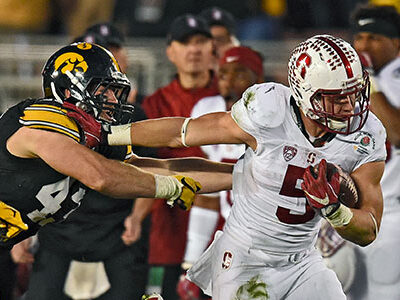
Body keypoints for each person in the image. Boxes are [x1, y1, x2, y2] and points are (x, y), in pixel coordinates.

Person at [83, 34, 386, 299]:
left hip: (303, 261)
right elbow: (184, 132)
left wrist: (336, 211)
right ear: (305, 94)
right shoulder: (269, 110)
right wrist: (112, 134)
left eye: (355, 93)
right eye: (337, 98)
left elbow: (369, 228)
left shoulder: (367, 134)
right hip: (246, 259)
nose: (350, 107)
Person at [0, 42, 232, 255]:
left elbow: (166, 169)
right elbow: (101, 176)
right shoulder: (37, 120)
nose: (112, 99)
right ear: (68, 93)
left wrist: (243, 174)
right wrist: (169, 188)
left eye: (114, 91)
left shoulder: (91, 134)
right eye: (103, 91)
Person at [9, 26, 155, 299]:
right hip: (60, 233)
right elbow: (25, 184)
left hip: (115, 232)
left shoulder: (130, 114)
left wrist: (137, 217)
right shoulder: (44, 124)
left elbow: (150, 164)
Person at [136, 14, 218, 299]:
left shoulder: (233, 99)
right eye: (185, 43)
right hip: (169, 233)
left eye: (201, 42)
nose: (194, 50)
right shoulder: (153, 103)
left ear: (212, 49)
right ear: (170, 51)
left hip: (221, 234)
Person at [177, 46, 264, 300]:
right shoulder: (209, 110)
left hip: (274, 238)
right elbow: (208, 193)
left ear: (258, 79)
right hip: (234, 239)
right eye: (223, 74)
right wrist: (190, 262)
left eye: (238, 74)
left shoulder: (275, 115)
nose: (228, 81)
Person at [349, 4, 400, 300]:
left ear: (396, 43)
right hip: (355, 208)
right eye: (360, 37)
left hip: (393, 210)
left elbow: (396, 132)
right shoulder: (350, 81)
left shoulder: (387, 79)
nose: (364, 45)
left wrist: (369, 80)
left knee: (385, 292)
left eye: (374, 38)